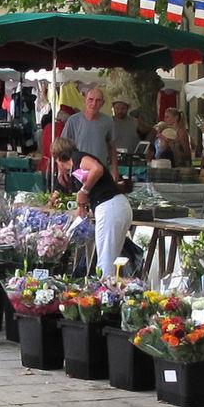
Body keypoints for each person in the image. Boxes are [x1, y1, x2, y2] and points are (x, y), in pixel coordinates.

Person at [60, 143, 132, 277]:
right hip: (116, 206)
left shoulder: (77, 158)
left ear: (58, 159)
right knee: (111, 259)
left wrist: (84, 190)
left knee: (105, 262)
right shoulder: (75, 166)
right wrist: (82, 206)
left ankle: (104, 288)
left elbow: (97, 169)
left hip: (110, 207)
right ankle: (110, 286)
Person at [63, 87, 114, 172]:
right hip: (79, 170)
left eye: (98, 100)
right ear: (85, 100)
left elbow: (112, 146)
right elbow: (62, 146)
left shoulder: (107, 121)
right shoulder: (73, 120)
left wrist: (114, 169)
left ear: (102, 103)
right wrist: (62, 169)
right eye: (90, 99)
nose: (94, 103)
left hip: (101, 170)